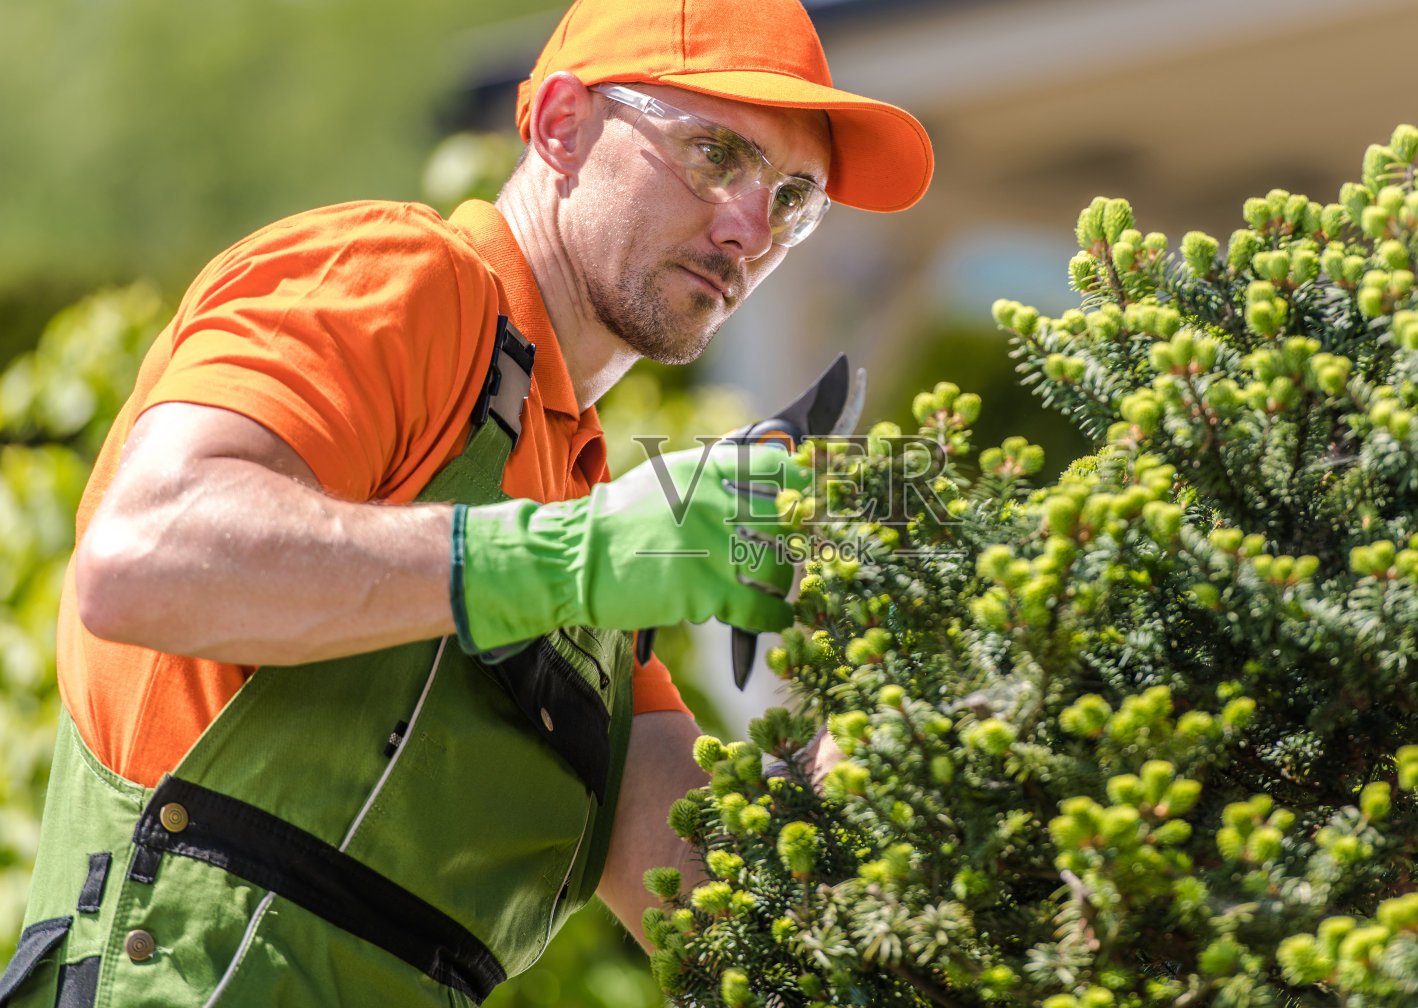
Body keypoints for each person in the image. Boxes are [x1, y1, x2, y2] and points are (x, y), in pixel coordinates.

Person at [0, 0, 933, 1004]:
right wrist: (579, 556)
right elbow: (142, 556)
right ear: (562, 125)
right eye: (716, 154)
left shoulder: (583, 511)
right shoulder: (399, 281)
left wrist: (915, 723)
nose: (750, 227)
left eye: (794, 199)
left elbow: (744, 921)